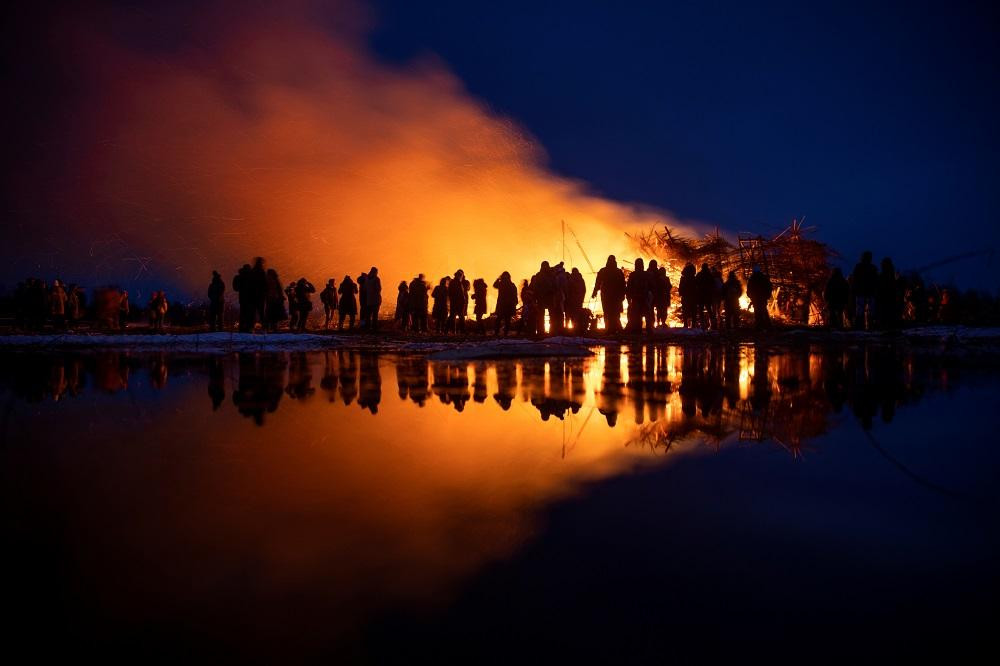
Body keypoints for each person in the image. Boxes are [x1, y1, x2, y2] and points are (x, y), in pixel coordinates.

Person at [592, 255, 625, 333]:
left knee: (607, 312)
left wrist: (595, 292)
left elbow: (598, 283)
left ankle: (609, 328)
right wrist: (623, 295)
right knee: (615, 312)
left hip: (606, 295)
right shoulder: (618, 271)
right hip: (616, 296)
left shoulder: (603, 271)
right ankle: (616, 328)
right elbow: (623, 284)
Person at [851, 251, 878, 330]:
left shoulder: (858, 267)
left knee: (860, 310)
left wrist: (854, 290)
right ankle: (870, 326)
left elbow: (855, 280)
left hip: (861, 292)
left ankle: (860, 326)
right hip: (869, 292)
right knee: (870, 310)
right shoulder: (873, 268)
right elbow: (876, 281)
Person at [626, 258, 649, 333]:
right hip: (642, 297)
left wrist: (628, 297)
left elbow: (629, 287)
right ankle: (648, 329)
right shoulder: (646, 274)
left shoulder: (634, 275)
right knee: (645, 314)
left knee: (638, 314)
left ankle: (638, 329)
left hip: (638, 297)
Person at [877, 257, 901, 329]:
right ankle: (890, 325)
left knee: (886, 312)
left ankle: (886, 326)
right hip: (890, 297)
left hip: (886, 297)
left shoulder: (884, 275)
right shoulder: (892, 275)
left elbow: (880, 286)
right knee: (890, 312)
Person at [493, 271, 518, 336]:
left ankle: (500, 332)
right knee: (504, 319)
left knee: (502, 319)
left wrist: (498, 278)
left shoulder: (504, 284)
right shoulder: (508, 284)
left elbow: (495, 285)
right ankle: (502, 332)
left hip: (505, 305)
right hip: (505, 305)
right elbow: (495, 285)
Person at [233, 263, 255, 332]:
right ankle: (250, 328)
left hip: (242, 298)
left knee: (243, 314)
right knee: (250, 314)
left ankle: (242, 328)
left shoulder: (240, 276)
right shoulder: (252, 276)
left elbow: (235, 288)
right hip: (251, 298)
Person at [695, 262, 716, 330]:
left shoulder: (699, 274)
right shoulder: (710, 275)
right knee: (709, 310)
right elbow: (713, 285)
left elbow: (695, 284)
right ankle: (712, 324)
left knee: (701, 310)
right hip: (707, 296)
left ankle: (702, 325)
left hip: (701, 295)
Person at [566, 267, 587, 332]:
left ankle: (573, 328)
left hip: (572, 300)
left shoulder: (570, 279)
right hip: (579, 300)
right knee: (577, 314)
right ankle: (578, 327)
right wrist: (582, 298)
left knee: (572, 314)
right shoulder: (581, 279)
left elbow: (567, 289)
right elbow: (584, 290)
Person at [678, 262, 697, 328]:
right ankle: (693, 324)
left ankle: (686, 324)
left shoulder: (683, 278)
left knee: (685, 310)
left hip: (685, 296)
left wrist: (681, 293)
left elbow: (681, 287)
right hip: (693, 296)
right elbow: (696, 287)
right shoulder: (694, 278)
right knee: (693, 310)